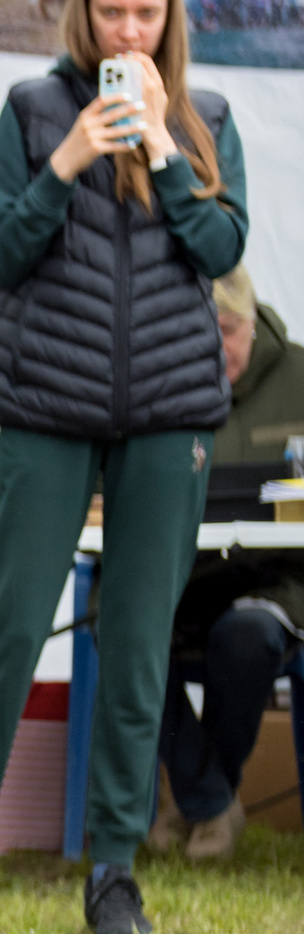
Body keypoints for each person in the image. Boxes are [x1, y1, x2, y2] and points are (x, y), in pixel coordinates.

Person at [0, 0, 246, 934]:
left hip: (168, 410)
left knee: (141, 639)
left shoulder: (206, 118)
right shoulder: (29, 112)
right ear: (84, 16)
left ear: (169, 20)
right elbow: (0, 252)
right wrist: (66, 160)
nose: (127, 31)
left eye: (144, 14)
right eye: (111, 12)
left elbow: (223, 247)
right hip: (46, 404)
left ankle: (113, 868)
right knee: (15, 622)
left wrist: (157, 142)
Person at [151, 266, 304, 861]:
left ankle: (193, 798)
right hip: (188, 577)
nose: (218, 349)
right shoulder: (167, 386)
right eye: (201, 334)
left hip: (278, 582)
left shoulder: (297, 375)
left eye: (228, 330)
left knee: (246, 638)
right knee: (118, 628)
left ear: (254, 321)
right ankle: (209, 800)